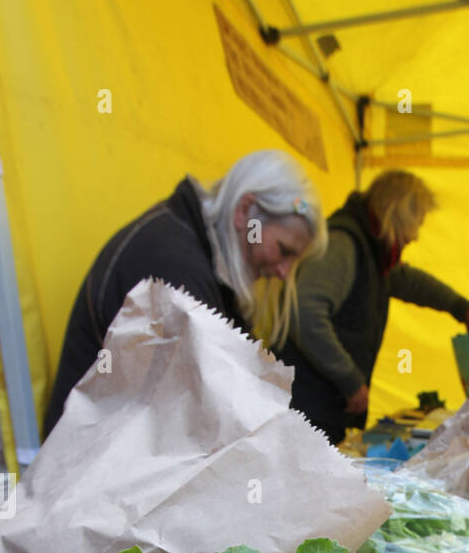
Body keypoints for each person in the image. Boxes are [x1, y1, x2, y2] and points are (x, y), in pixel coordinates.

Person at [43, 150, 327, 436]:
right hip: (90, 459)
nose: (284, 272)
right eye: (284, 250)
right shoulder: (174, 267)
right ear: (244, 212)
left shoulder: (205, 258)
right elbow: (196, 409)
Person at [275, 170, 469, 443]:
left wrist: (461, 308)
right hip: (306, 408)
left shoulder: (375, 254)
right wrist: (350, 380)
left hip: (324, 409)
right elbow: (304, 313)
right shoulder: (344, 245)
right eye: (415, 225)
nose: (414, 237)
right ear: (397, 214)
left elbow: (411, 282)